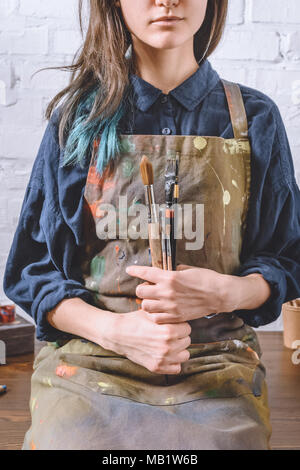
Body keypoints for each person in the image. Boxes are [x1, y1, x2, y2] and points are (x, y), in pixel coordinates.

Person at [3, 0, 300, 451]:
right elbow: (33, 271)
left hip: (215, 363)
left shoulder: (254, 119)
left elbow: (285, 258)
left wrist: (227, 292)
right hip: (92, 362)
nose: (167, 0)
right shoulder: (78, 120)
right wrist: (116, 332)